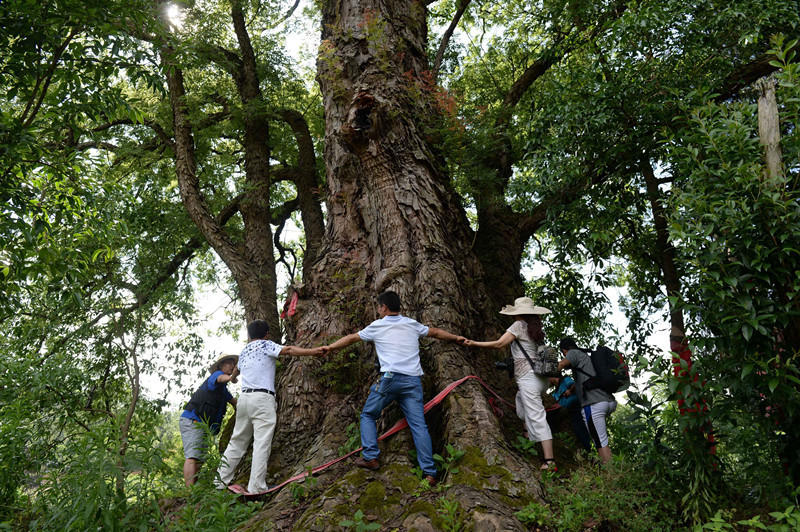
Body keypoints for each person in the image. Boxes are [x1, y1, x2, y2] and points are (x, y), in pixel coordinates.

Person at [320, 290, 466, 486]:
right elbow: (436, 333)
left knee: (368, 415)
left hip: (389, 379)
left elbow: (351, 338)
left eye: (379, 307)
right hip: (413, 381)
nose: (378, 310)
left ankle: (371, 456)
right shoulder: (411, 324)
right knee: (418, 426)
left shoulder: (377, 326)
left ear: (384, 307)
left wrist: (330, 348)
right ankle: (430, 473)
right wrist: (456, 338)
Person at [215, 319, 323, 494]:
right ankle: (256, 486)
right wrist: (313, 351)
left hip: (244, 399)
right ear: (266, 334)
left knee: (236, 442)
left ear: (249, 335)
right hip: (262, 398)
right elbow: (288, 350)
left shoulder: (244, 352)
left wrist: (234, 378)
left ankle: (219, 483)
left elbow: (235, 373)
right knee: (261, 442)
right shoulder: (267, 345)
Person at [464, 296, 556, 470]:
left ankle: (550, 461)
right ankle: (528, 434)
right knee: (521, 401)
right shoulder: (535, 329)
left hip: (528, 378)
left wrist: (474, 343)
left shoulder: (518, 325)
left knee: (537, 416)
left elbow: (499, 344)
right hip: (541, 378)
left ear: (518, 313)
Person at [180, 353, 239, 486]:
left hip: (202, 425)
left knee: (200, 459)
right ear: (220, 365)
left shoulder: (223, 391)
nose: (232, 365)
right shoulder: (216, 376)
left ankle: (195, 488)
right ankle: (190, 493)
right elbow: (220, 378)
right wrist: (231, 378)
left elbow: (235, 402)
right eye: (229, 363)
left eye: (233, 363)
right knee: (193, 457)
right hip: (193, 421)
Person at [558, 337, 617, 463]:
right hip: (607, 400)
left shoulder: (573, 353)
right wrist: (572, 389)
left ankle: (612, 475)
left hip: (594, 404)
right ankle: (612, 472)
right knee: (601, 439)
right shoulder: (587, 356)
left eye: (563, 354)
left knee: (600, 443)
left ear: (564, 350)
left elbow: (560, 365)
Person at [549, 375, 592, 452]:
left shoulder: (565, 380)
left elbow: (575, 385)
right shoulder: (555, 393)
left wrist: (570, 390)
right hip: (567, 411)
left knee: (580, 429)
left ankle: (589, 450)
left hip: (576, 407)